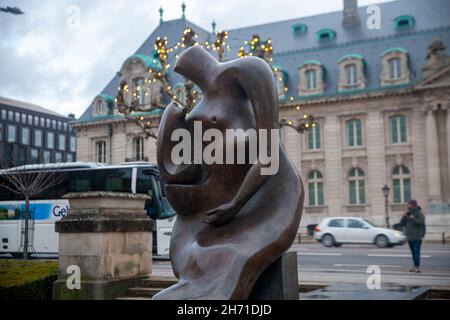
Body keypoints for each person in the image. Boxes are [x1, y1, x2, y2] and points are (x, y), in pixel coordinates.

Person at [398, 199, 426, 273]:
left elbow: (420, 222)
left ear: (413, 205)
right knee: (413, 252)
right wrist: (404, 217)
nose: (408, 206)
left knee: (416, 252)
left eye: (409, 204)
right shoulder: (408, 213)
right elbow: (402, 223)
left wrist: (411, 218)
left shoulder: (419, 213)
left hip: (417, 236)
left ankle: (417, 267)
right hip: (409, 237)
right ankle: (414, 266)